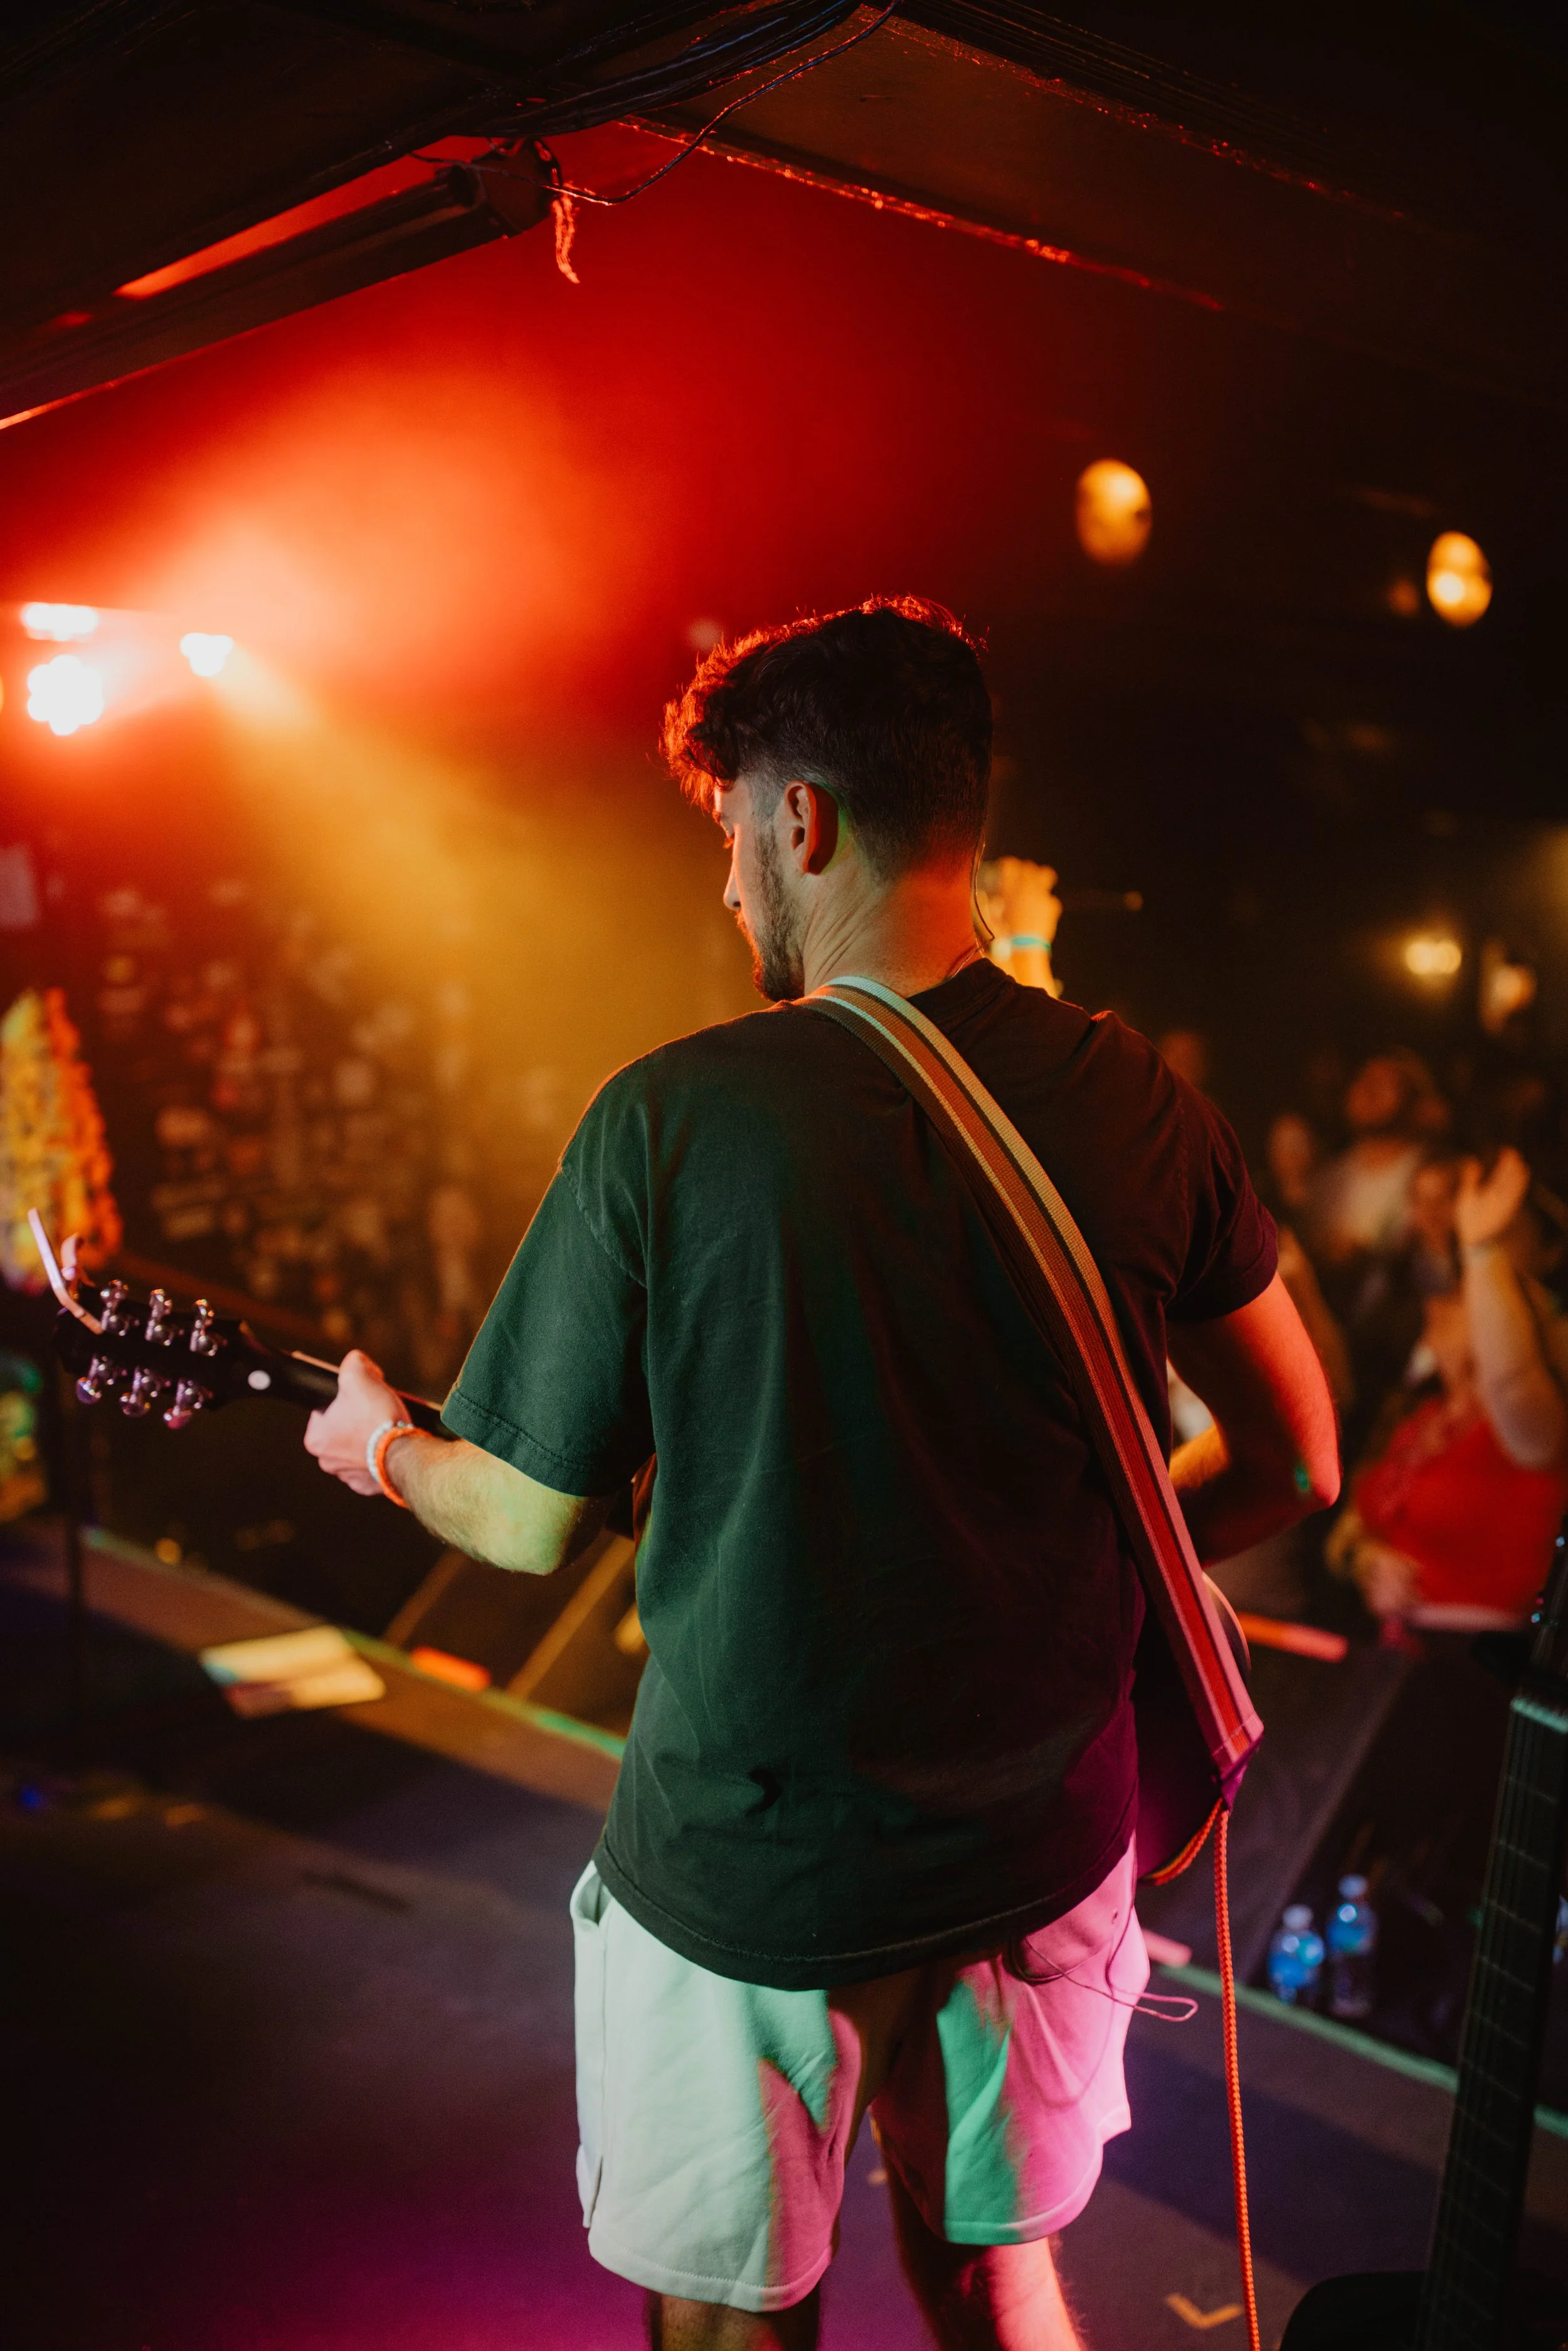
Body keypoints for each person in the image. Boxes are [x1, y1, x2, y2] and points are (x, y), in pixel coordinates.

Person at [304, 598, 1337, 2351]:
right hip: (1039, 1849)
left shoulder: (673, 1117)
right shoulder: (1137, 1101)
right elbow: (1299, 1458)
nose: (727, 889)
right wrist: (1088, 1572)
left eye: (728, 838)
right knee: (997, 2279)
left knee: (731, 2320)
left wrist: (381, 1444)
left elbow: (528, 1513)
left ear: (799, 819)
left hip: (751, 1872)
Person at [1328, 1147, 1568, 1635]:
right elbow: (1346, 1528)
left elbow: (1511, 1377)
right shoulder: (1424, 1412)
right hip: (1401, 1660)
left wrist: (1484, 1252)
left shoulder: (1540, 1406)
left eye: (1465, 1294)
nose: (1445, 1304)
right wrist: (1364, 1559)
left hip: (1477, 1672)